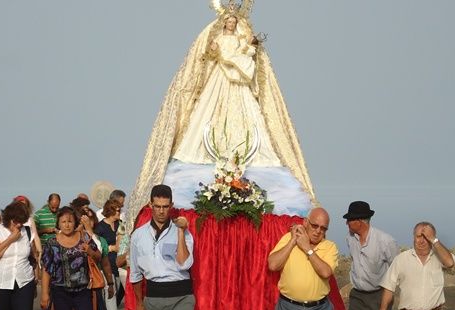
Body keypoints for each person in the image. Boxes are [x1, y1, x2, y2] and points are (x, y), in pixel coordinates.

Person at [127, 3, 317, 223]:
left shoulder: (239, 39)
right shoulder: (217, 38)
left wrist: (248, 49)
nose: (231, 24)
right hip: (220, 80)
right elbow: (210, 55)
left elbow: (246, 54)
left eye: (234, 22)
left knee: (248, 118)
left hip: (239, 82)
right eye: (228, 21)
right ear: (223, 22)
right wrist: (224, 56)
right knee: (205, 119)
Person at [129, 184, 195, 310]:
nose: (161, 211)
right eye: (157, 206)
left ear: (171, 206)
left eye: (165, 207)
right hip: (153, 299)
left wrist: (181, 231)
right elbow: (135, 274)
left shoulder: (183, 232)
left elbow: (184, 264)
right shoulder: (138, 235)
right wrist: (139, 303)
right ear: (150, 205)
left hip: (182, 297)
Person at [40, 206, 114, 310]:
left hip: (83, 292)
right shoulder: (52, 243)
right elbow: (46, 269)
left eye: (70, 221)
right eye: (63, 222)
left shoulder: (85, 237)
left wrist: (90, 251)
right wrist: (44, 294)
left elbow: (99, 257)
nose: (67, 225)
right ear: (58, 224)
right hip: (60, 292)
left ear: (75, 222)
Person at [267, 208, 338, 310]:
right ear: (305, 222)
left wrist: (307, 248)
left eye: (323, 228)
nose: (318, 231)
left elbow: (326, 273)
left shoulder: (330, 246)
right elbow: (273, 265)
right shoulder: (288, 238)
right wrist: (292, 242)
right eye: (315, 225)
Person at [379, 222, 455, 310]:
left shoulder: (440, 257)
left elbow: (450, 263)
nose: (422, 241)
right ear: (413, 237)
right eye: (418, 236)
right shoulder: (401, 259)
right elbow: (389, 287)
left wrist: (434, 240)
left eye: (426, 237)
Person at [342, 201, 400, 310]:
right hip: (356, 296)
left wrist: (387, 295)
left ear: (359, 222)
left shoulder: (385, 241)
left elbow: (397, 268)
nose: (346, 223)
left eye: (349, 220)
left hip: (378, 297)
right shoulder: (350, 238)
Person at [0, 200, 37, 310]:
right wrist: (10, 239)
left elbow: (33, 256)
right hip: (0, 283)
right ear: (8, 217)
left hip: (24, 281)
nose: (19, 225)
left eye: (22, 222)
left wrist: (36, 277)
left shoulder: (27, 231)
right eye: (16, 221)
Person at [94, 199, 123, 310]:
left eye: (120, 210)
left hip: (121, 265)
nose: (119, 212)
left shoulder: (121, 224)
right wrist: (111, 248)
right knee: (111, 295)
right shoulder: (100, 227)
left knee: (120, 294)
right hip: (107, 265)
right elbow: (97, 246)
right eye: (117, 210)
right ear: (110, 211)